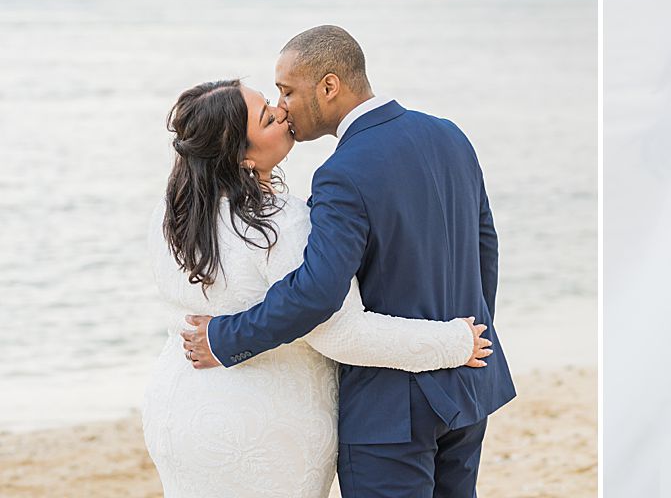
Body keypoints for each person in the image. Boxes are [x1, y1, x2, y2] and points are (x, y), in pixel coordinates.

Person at [181, 26, 516, 497]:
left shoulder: (342, 172)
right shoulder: (449, 135)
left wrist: (224, 337)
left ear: (329, 86)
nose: (283, 107)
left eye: (287, 90)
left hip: (390, 413)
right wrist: (475, 334)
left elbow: (318, 292)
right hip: (471, 388)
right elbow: (486, 247)